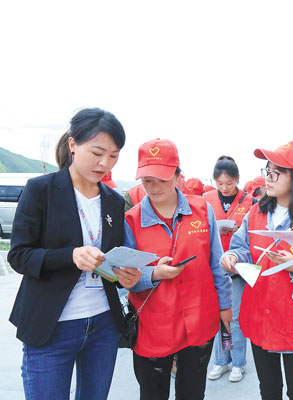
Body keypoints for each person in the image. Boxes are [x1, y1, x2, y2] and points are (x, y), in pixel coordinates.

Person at [8, 108, 142, 399]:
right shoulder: (41, 190)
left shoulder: (113, 201)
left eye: (114, 156)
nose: (104, 163)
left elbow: (110, 261)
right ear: (72, 145)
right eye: (97, 152)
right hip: (51, 326)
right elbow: (19, 255)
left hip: (103, 324)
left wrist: (125, 277)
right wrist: (70, 256)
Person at [125, 138, 232, 400]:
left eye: (162, 178)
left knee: (193, 392)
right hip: (154, 326)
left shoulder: (201, 211)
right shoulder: (131, 220)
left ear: (177, 176)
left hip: (199, 321)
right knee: (152, 393)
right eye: (147, 180)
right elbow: (124, 279)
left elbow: (216, 264)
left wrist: (225, 306)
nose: (154, 187)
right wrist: (152, 274)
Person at [221, 141, 293, 400]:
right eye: (266, 171)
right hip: (259, 318)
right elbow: (242, 246)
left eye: (274, 173)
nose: (267, 178)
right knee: (268, 390)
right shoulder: (256, 213)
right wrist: (233, 256)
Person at [204, 155, 254, 383]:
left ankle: (238, 362)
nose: (224, 188)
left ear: (237, 180)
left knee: (233, 316)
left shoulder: (250, 202)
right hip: (214, 268)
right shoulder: (206, 200)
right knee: (217, 316)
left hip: (237, 269)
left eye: (229, 184)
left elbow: (253, 235)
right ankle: (221, 361)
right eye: (220, 184)